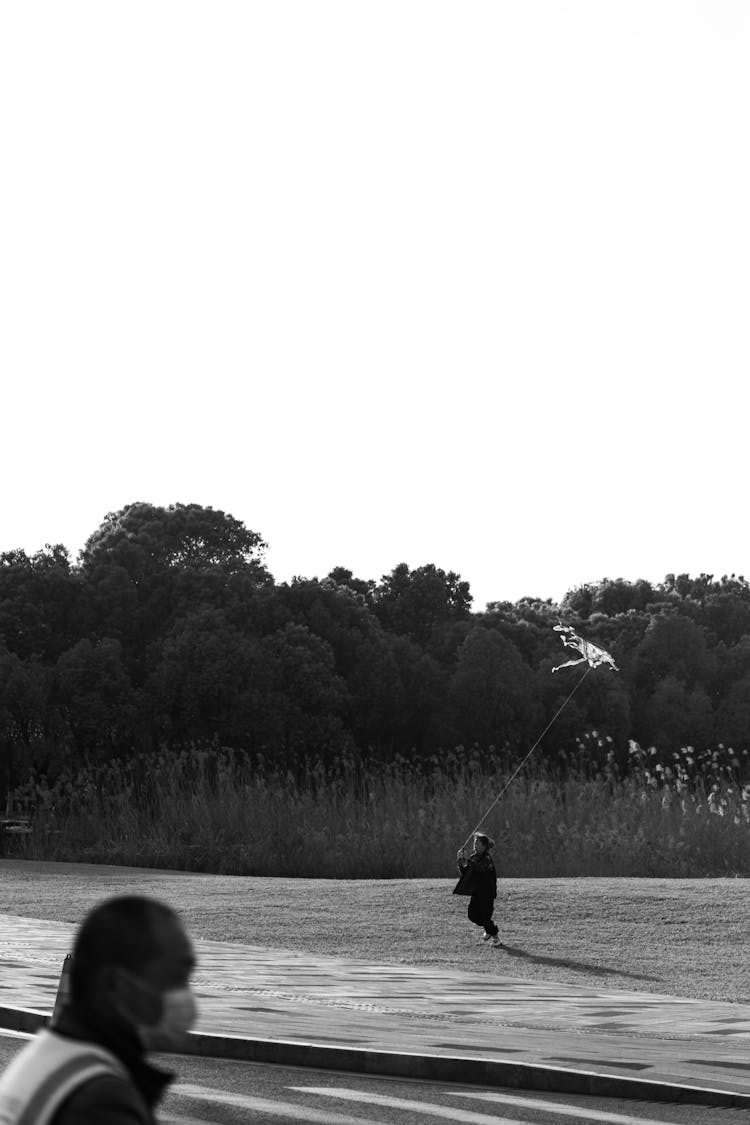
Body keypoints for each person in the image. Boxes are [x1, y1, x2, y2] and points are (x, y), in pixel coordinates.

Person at [0, 895, 197, 1125]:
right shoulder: (101, 1099)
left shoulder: (57, 1057)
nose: (186, 995)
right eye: (176, 978)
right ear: (115, 983)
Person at [455, 833, 502, 947]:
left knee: (486, 918)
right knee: (472, 915)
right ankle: (489, 929)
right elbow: (467, 873)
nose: (474, 845)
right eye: (474, 842)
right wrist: (461, 862)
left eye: (477, 843)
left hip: (487, 894)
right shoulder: (473, 857)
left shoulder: (487, 859)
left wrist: (467, 860)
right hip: (476, 893)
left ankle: (496, 938)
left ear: (484, 846)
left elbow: (480, 868)